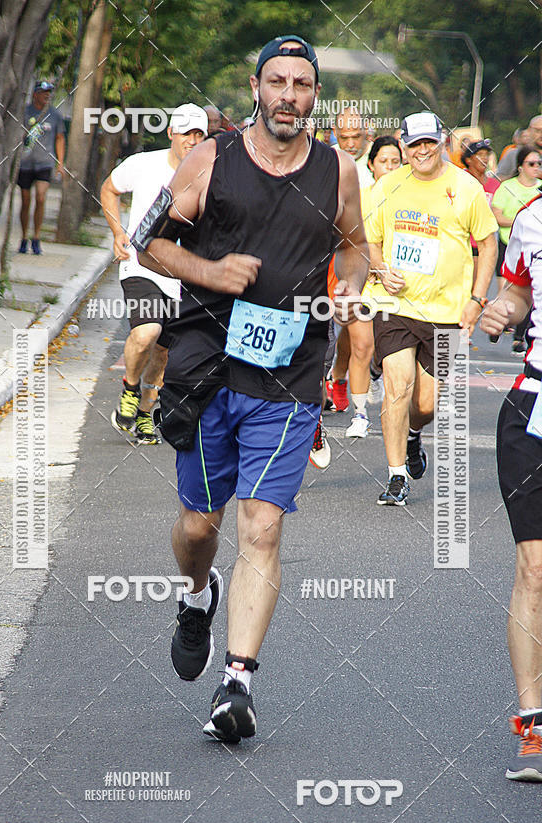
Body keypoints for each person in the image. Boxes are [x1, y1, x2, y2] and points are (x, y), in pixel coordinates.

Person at [134, 35, 367, 741]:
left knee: (261, 526)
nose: (289, 95)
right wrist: (209, 272)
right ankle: (197, 596)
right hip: (206, 363)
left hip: (290, 371)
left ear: (315, 96)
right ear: (256, 88)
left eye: (302, 83)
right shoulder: (213, 158)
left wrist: (351, 288)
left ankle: (237, 685)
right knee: (199, 524)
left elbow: (355, 245)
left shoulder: (338, 171)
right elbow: (148, 240)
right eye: (277, 81)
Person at [365, 111, 498, 506]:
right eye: (414, 144)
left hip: (446, 312)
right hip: (394, 304)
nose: (422, 150)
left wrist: (477, 299)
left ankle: (412, 434)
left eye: (429, 143)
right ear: (402, 145)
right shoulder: (387, 186)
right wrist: (381, 269)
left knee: (425, 404)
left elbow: (488, 244)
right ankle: (396, 476)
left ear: (441, 142)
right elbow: (372, 241)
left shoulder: (465, 187)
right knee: (396, 384)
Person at [480, 191, 542, 781]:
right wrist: (505, 308)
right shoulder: (530, 218)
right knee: (535, 568)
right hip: (534, 406)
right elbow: (519, 293)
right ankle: (535, 723)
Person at [100, 103, 208, 444]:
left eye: (199, 134)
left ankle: (146, 411)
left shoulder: (209, 174)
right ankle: (130, 389)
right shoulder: (144, 163)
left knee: (163, 351)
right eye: (186, 133)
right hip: (141, 264)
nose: (192, 140)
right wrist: (118, 232)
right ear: (171, 134)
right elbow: (109, 189)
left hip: (183, 275)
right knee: (147, 332)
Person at [325, 135, 402, 438]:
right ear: (371, 165)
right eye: (383, 161)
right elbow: (348, 242)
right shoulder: (360, 197)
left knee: (385, 352)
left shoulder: (414, 199)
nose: (390, 167)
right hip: (365, 283)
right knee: (362, 345)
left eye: (396, 161)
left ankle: (373, 375)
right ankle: (360, 414)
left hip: (401, 288)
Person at [492, 145, 542, 354]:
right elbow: (519, 293)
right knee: (511, 290)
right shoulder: (527, 212)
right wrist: (502, 309)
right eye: (531, 164)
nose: (536, 168)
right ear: (520, 166)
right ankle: (505, 324)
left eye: (539, 164)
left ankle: (519, 336)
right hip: (508, 243)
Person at [17, 81, 65, 254]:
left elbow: (60, 137)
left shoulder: (55, 115)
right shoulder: (25, 112)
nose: (47, 95)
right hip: (25, 162)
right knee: (25, 200)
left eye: (49, 92)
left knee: (41, 197)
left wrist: (60, 163)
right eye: (43, 92)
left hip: (45, 162)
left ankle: (36, 237)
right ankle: (23, 237)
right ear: (35, 93)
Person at [461, 139, 501, 283]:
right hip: (463, 241)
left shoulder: (494, 184)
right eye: (479, 154)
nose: (484, 158)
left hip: (485, 242)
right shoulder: (460, 179)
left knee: (479, 286)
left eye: (486, 154)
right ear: (468, 159)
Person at [334, 109, 373, 188]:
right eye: (344, 138)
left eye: (356, 137)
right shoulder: (328, 157)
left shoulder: (380, 155)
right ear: (335, 132)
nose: (350, 144)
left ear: (366, 129)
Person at [497, 115, 542, 181]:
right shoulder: (514, 154)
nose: (541, 134)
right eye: (538, 131)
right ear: (529, 131)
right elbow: (498, 179)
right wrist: (520, 175)